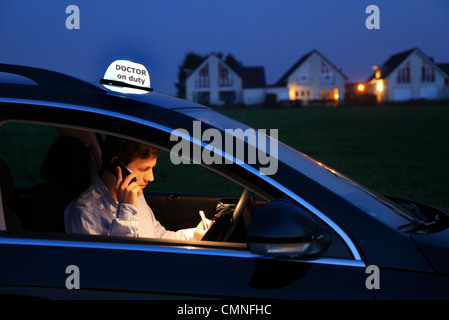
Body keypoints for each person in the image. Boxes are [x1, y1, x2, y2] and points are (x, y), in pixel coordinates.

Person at [65, 135, 210, 240]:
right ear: (118, 166)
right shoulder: (83, 213)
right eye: (143, 169)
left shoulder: (135, 193)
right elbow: (118, 265)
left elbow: (157, 237)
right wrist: (126, 211)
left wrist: (193, 235)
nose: (151, 177)